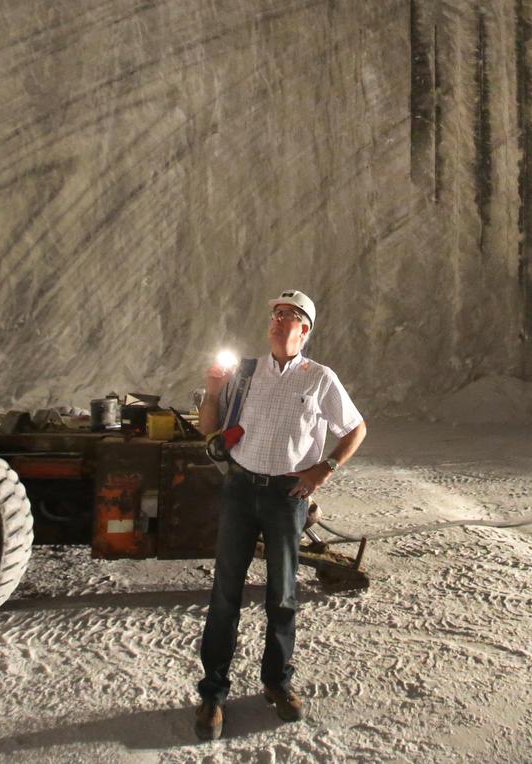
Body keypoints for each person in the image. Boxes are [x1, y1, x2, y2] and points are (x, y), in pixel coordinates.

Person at [193, 289, 366, 740]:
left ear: (304, 329)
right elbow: (208, 429)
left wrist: (323, 469)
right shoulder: (245, 374)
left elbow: (356, 428)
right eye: (274, 313)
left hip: (286, 497)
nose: (277, 320)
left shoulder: (320, 379)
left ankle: (276, 682)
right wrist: (212, 391)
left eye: (288, 315)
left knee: (282, 596)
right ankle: (213, 693)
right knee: (224, 593)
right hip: (240, 489)